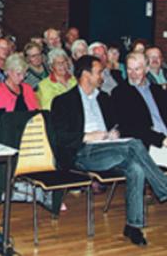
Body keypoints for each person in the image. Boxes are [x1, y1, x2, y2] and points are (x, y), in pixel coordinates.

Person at [51, 55, 167, 246]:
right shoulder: (63, 101)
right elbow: (60, 137)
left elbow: (118, 125)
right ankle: (163, 187)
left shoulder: (104, 98)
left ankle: (133, 226)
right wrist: (87, 136)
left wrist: (115, 133)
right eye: (99, 72)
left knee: (136, 168)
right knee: (135, 145)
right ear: (86, 75)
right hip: (82, 152)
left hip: (108, 149)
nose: (102, 77)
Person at [112, 52, 167, 149]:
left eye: (137, 69)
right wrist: (162, 139)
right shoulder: (120, 93)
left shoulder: (158, 91)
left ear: (147, 69)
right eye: (129, 69)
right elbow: (130, 127)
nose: (133, 74)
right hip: (149, 144)